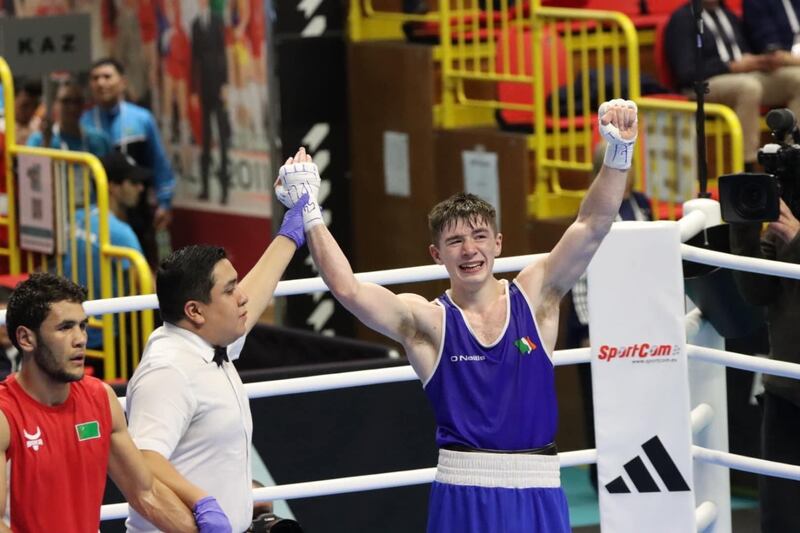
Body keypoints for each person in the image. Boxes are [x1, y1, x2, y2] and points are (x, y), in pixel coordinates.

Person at [274, 99, 638, 532]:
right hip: (464, 489)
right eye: (456, 241)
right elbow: (348, 289)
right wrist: (308, 211)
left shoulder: (536, 296)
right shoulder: (428, 322)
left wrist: (619, 154)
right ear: (436, 254)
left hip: (539, 486)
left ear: (498, 244)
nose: (470, 250)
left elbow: (592, 224)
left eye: (480, 236)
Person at [124, 195, 308, 532]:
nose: (241, 297)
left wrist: (290, 234)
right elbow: (141, 459)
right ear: (195, 311)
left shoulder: (206, 343)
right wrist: (200, 501)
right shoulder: (168, 370)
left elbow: (253, 295)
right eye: (230, 290)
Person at [0, 272, 216, 531]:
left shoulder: (100, 399)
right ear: (26, 339)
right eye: (65, 327)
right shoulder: (5, 415)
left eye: (82, 325)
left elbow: (146, 492)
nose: (80, 339)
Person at [730, 200, 800, 533]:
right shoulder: (790, 205)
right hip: (785, 388)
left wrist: (798, 241)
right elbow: (757, 292)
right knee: (779, 520)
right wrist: (743, 228)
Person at [665, 0, 800, 169]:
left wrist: (761, 61)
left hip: (745, 76)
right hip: (704, 83)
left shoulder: (728, 14)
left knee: (797, 79)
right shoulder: (682, 18)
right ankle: (748, 163)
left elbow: (747, 52)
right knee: (748, 87)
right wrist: (731, 66)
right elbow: (686, 71)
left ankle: (792, 154)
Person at [81, 57, 175, 264]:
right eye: (95, 78)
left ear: (122, 81)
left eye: (107, 76)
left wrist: (164, 203)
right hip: (102, 211)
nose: (101, 83)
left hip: (139, 208)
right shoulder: (84, 123)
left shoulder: (141, 119)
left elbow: (159, 163)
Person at [66, 152, 148, 349]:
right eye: (133, 182)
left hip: (69, 330)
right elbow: (146, 287)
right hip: (104, 340)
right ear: (112, 186)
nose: (141, 188)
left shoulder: (78, 216)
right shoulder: (121, 233)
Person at [192, 0, 231, 204]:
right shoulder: (196, 24)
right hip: (204, 88)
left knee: (222, 138)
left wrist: (225, 84)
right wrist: (193, 90)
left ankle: (225, 188)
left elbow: (223, 52)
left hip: (217, 85)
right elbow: (194, 58)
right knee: (205, 139)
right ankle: (205, 186)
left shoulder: (217, 21)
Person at [27, 80, 112, 158]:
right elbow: (30, 171)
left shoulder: (100, 140)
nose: (73, 108)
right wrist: (45, 144)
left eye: (78, 101)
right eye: (66, 101)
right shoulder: (38, 140)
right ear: (54, 104)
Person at [11, 80, 43, 145]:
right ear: (12, 100)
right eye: (24, 105)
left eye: (34, 107)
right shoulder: (2, 128)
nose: (30, 111)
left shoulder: (40, 126)